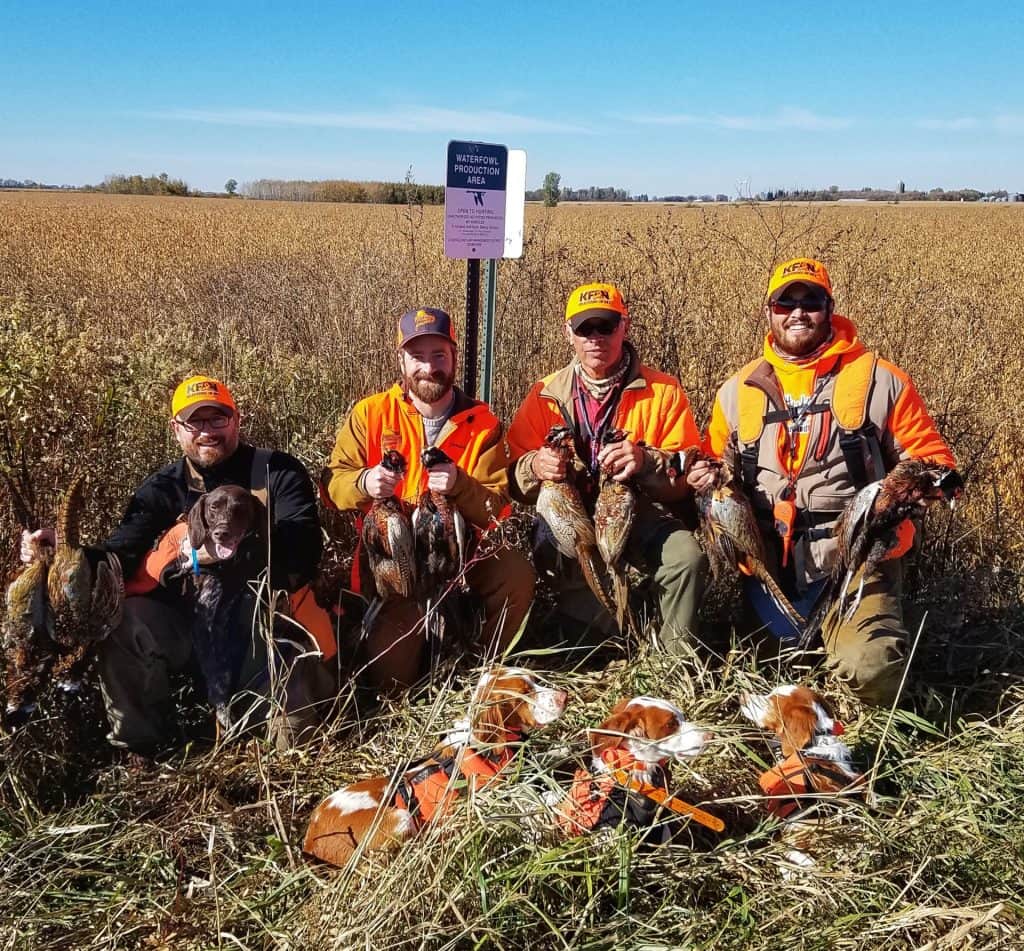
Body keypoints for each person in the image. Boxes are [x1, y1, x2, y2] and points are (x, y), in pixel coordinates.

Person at [689, 258, 960, 706]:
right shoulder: (737, 391)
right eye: (785, 303)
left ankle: (871, 646)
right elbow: (712, 460)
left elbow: (937, 463)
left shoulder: (880, 381)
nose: (798, 313)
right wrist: (705, 475)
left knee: (869, 669)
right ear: (768, 312)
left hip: (856, 562)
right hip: (771, 567)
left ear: (829, 308)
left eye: (810, 301)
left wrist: (908, 488)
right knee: (762, 671)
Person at [20, 376, 335, 754]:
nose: (207, 431)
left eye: (217, 419)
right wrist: (66, 553)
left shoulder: (276, 472)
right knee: (125, 621)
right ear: (176, 429)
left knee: (292, 748)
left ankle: (281, 721)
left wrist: (229, 551)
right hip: (188, 627)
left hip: (264, 623)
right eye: (194, 422)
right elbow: (121, 553)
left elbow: (304, 550)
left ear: (236, 421)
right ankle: (141, 748)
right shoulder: (162, 487)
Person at [321, 307, 535, 692]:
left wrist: (460, 485)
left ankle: (481, 670)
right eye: (417, 356)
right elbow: (332, 486)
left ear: (454, 357)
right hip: (392, 567)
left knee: (515, 573)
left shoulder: (482, 424)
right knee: (393, 681)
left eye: (439, 355)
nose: (429, 367)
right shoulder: (371, 414)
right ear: (401, 361)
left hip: (459, 558)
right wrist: (366, 482)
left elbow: (496, 510)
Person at [506, 282, 707, 652]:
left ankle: (674, 662)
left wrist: (645, 461)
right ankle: (611, 627)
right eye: (585, 328)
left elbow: (687, 474)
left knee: (686, 559)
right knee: (594, 644)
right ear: (568, 333)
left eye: (606, 326)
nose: (595, 337)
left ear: (624, 327)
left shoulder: (663, 391)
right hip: (574, 518)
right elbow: (511, 478)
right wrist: (535, 465)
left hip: (638, 512)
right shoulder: (544, 394)